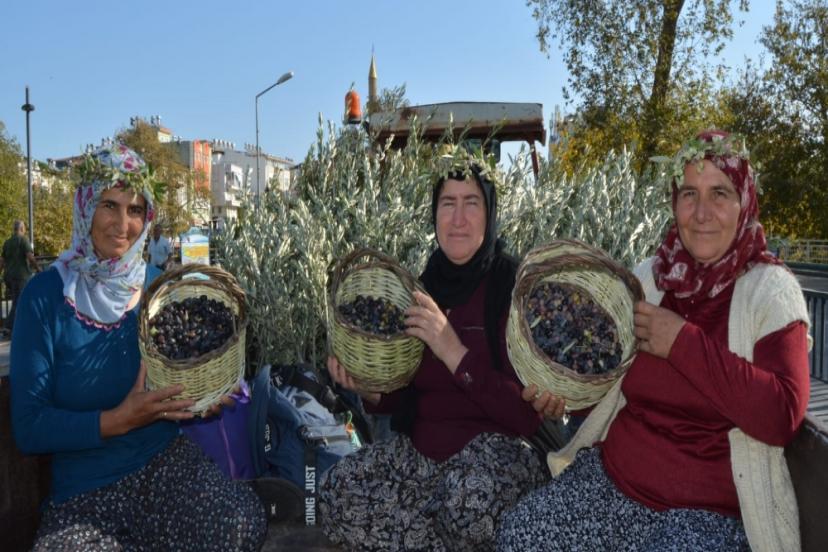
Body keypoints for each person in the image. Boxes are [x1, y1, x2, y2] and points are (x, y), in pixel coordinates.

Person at [497, 130, 811, 551]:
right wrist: (565, 399)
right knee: (520, 534)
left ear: (744, 203)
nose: (701, 212)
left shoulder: (770, 291)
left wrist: (682, 342)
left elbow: (782, 415)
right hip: (612, 485)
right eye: (688, 194)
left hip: (706, 516)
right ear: (673, 203)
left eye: (719, 193)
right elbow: (609, 376)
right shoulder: (652, 277)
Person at [9, 144, 266, 551]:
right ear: (85, 206)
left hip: (164, 466)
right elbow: (29, 427)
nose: (122, 224)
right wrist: (118, 420)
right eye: (109, 205)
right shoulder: (44, 297)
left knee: (239, 525)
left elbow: (184, 376)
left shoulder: (161, 289)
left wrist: (203, 399)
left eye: (135, 210)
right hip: (84, 491)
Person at [319, 161, 565, 551]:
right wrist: (368, 389)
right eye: (447, 204)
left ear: (490, 212)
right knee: (334, 494)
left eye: (471, 203)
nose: (458, 219)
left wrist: (452, 349)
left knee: (467, 507)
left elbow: (524, 414)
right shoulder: (423, 285)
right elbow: (408, 390)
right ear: (434, 214)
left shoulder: (514, 287)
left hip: (494, 459)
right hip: (424, 457)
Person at [0, 219, 40, 333]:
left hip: (9, 276)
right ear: (22, 229)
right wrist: (38, 268)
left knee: (17, 300)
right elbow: (30, 257)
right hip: (21, 276)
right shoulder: (23, 240)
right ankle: (8, 326)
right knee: (20, 300)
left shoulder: (7, 242)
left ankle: (19, 325)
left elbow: (2, 261)